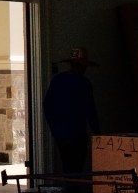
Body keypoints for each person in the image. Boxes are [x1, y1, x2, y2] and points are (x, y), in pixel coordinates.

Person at [42, 47, 100, 175]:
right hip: (77, 133)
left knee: (67, 165)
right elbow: (90, 110)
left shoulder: (57, 80)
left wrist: (55, 129)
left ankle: (70, 191)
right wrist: (98, 133)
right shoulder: (84, 83)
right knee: (77, 167)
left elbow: (47, 105)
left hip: (61, 134)